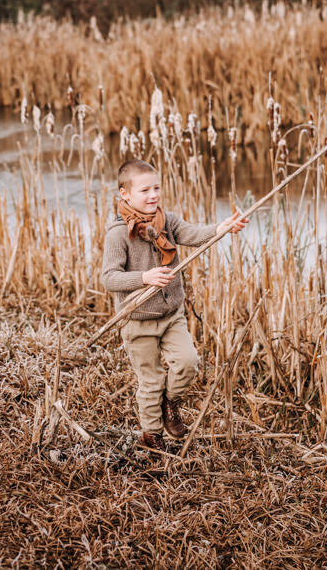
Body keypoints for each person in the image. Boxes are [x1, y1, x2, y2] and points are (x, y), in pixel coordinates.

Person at [100, 159, 249, 452]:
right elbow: (109, 278)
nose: (153, 195)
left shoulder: (167, 221)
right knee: (151, 379)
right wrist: (144, 277)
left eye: (156, 187)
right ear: (125, 194)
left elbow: (192, 234)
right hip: (138, 319)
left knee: (187, 361)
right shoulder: (118, 234)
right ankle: (152, 435)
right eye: (144, 190)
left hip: (171, 315)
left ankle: (172, 402)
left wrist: (223, 227)